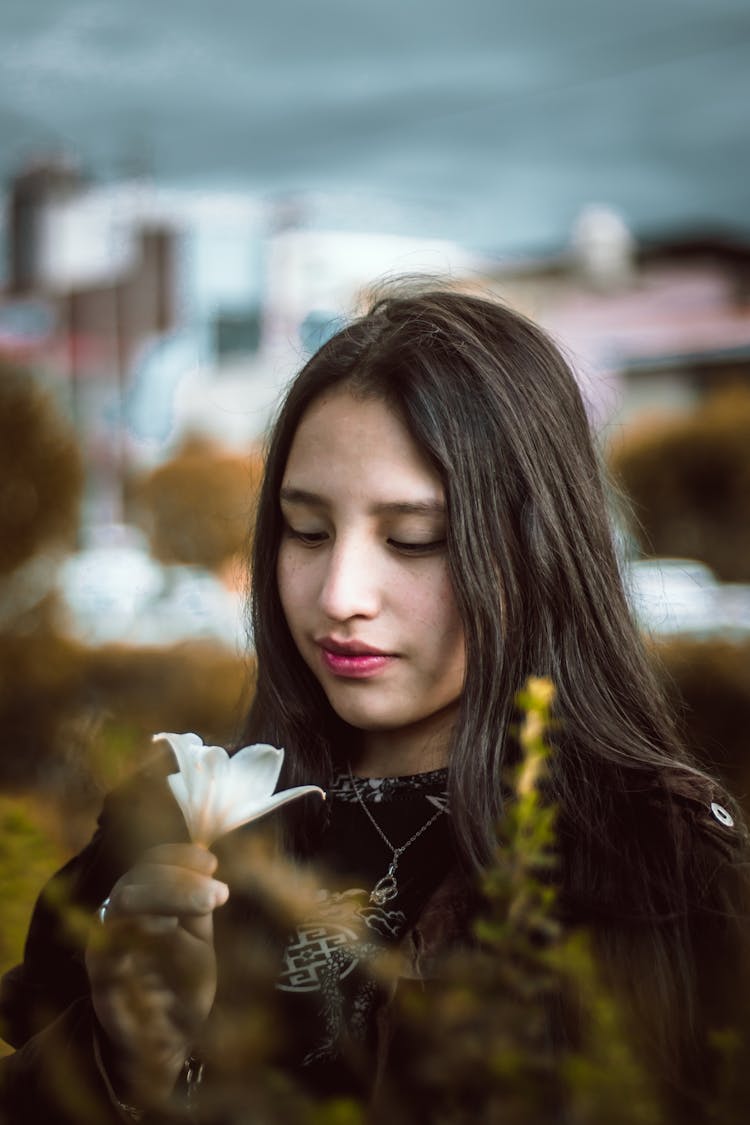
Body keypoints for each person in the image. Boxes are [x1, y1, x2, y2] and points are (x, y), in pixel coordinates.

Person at [1, 286, 748, 1123]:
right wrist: (121, 1060)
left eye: (414, 539)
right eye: (307, 531)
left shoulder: (656, 862)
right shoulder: (176, 821)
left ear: (537, 548)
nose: (339, 594)